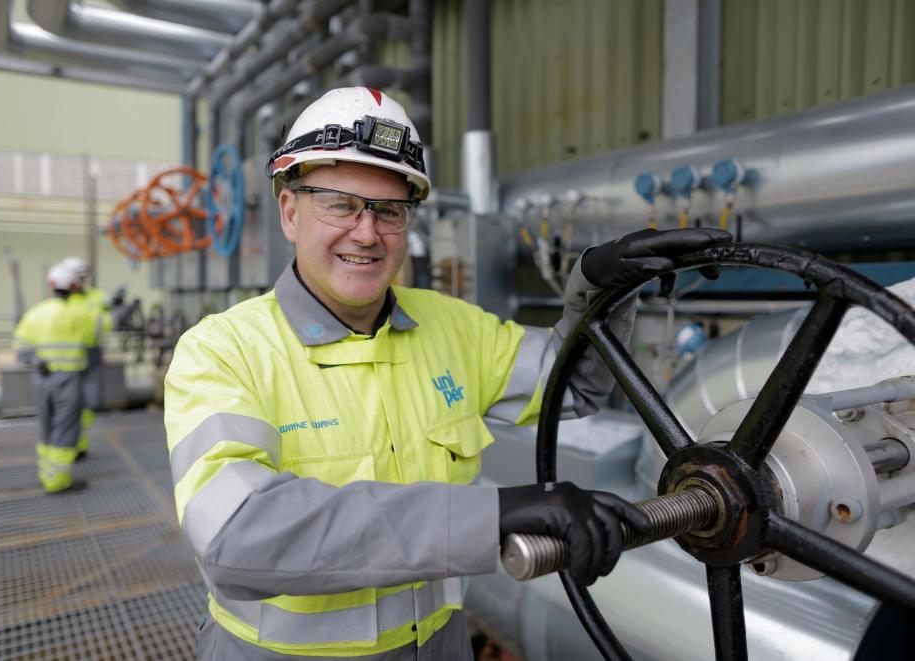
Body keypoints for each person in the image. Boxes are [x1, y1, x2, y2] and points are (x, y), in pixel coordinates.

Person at [164, 87, 732, 659]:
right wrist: (496, 514)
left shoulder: (451, 327)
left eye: (388, 211)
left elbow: (573, 387)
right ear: (290, 211)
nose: (366, 233)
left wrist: (600, 292)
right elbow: (236, 536)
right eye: (339, 203)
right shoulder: (222, 351)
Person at [14, 261, 98, 493]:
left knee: (47, 428)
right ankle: (57, 481)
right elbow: (96, 335)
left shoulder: (34, 314)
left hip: (41, 379)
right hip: (70, 381)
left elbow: (20, 351)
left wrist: (36, 362)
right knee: (66, 429)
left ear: (50, 285)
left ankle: (47, 474)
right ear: (73, 285)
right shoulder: (80, 314)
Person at [61, 256, 123, 459]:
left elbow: (108, 303)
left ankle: (78, 444)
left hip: (92, 353)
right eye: (78, 277)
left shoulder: (94, 296)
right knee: (69, 403)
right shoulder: (62, 302)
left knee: (90, 402)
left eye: (83, 277)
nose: (81, 281)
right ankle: (69, 445)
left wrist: (118, 301)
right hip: (67, 356)